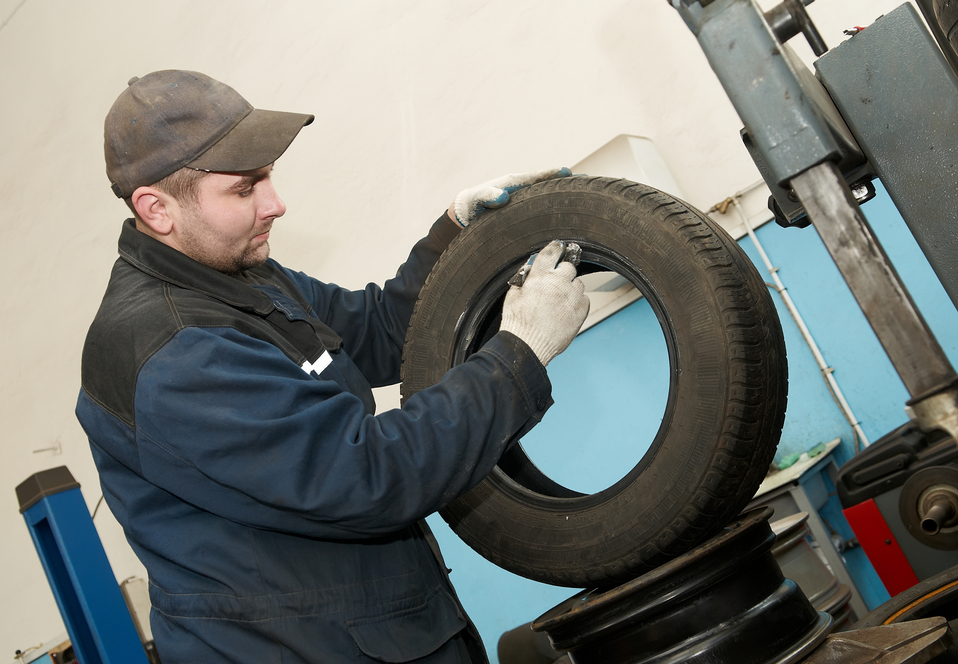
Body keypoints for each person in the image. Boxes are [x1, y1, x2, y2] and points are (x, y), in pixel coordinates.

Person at [75, 69, 589, 663]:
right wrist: (519, 354)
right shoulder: (172, 352)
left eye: (268, 177)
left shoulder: (241, 278)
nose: (277, 204)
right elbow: (366, 474)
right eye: (245, 189)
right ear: (156, 209)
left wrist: (456, 234)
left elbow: (378, 331)